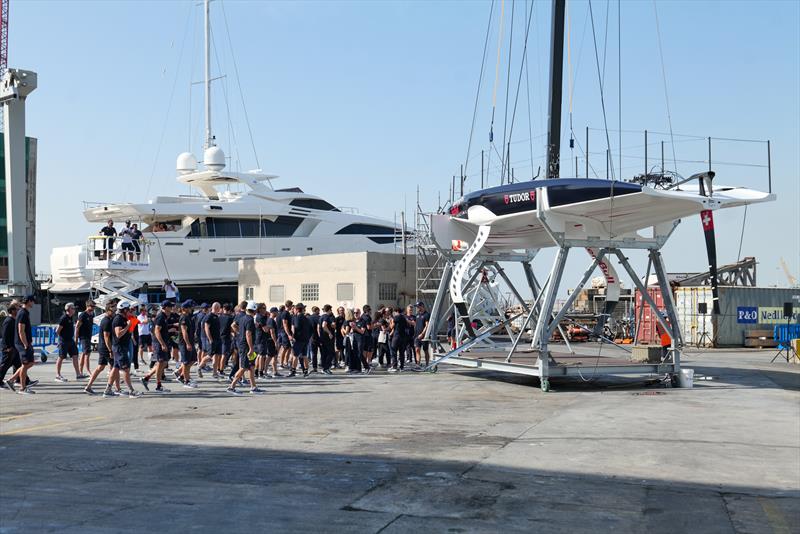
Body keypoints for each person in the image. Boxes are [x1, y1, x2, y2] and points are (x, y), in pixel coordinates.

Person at [103, 301, 142, 398]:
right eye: (129, 309)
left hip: (120, 347)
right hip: (119, 347)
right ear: (124, 310)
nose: (130, 311)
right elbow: (118, 334)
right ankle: (131, 391)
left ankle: (108, 390)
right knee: (125, 369)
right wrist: (128, 326)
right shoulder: (118, 319)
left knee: (116, 368)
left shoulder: (123, 318)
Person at [84, 301, 121, 395]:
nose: (115, 311)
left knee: (100, 367)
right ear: (108, 310)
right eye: (113, 310)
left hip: (103, 347)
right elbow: (106, 337)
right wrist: (110, 350)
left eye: (115, 309)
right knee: (115, 367)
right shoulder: (106, 321)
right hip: (106, 348)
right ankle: (116, 389)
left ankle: (88, 387)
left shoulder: (110, 319)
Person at [227, 300, 262, 395]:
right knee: (243, 367)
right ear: (254, 310)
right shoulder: (250, 320)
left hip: (243, 344)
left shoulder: (243, 318)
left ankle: (253, 387)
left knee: (251, 366)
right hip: (246, 346)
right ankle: (232, 386)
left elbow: (235, 326)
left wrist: (239, 333)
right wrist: (251, 348)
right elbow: (248, 334)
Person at [140, 300, 174, 394]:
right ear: (165, 307)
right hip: (159, 343)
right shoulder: (160, 317)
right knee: (160, 363)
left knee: (163, 363)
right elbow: (156, 331)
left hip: (162, 342)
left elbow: (161, 329)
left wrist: (170, 328)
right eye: (170, 306)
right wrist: (162, 344)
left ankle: (146, 378)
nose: (171, 308)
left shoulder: (164, 317)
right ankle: (158, 386)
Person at [0, 303, 32, 390]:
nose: (18, 311)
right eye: (17, 309)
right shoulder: (8, 321)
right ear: (12, 311)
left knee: (18, 364)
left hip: (14, 347)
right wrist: (8, 347)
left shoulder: (14, 320)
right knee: (4, 365)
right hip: (8, 348)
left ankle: (24, 381)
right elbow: (5, 335)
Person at [54, 302, 82, 382]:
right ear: (68, 309)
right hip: (64, 341)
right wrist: (60, 340)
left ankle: (78, 374)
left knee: (75, 355)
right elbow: (57, 331)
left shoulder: (71, 317)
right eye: (73, 308)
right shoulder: (64, 318)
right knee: (61, 357)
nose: (74, 310)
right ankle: (58, 375)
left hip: (70, 340)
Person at [176, 300, 198, 388]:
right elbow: (184, 331)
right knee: (185, 362)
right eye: (190, 307)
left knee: (193, 360)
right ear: (185, 308)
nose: (192, 308)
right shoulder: (184, 317)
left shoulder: (188, 316)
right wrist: (188, 343)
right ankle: (186, 381)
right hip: (184, 343)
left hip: (191, 341)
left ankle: (182, 376)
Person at [289, 303, 312, 377]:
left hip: (298, 339)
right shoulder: (306, 318)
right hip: (305, 339)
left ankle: (293, 370)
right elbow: (311, 329)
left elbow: (296, 327)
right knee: (304, 355)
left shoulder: (297, 318)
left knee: (295, 355)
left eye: (295, 309)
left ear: (297, 309)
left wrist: (293, 336)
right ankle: (306, 371)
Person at [75, 299, 96, 377]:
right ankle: (88, 371)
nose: (94, 308)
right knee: (87, 354)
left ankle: (80, 371)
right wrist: (76, 339)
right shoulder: (83, 315)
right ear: (87, 306)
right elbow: (77, 327)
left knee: (84, 353)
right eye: (92, 306)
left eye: (94, 306)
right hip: (83, 336)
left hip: (88, 336)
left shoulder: (91, 314)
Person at [201, 302, 222, 379]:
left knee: (217, 356)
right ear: (216, 307)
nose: (220, 309)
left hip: (218, 339)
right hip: (212, 339)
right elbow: (206, 327)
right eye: (219, 307)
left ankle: (215, 372)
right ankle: (200, 366)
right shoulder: (209, 316)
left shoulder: (216, 316)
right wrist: (210, 339)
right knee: (209, 356)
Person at [318, 304, 336, 375]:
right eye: (330, 310)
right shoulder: (326, 316)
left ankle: (324, 368)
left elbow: (319, 327)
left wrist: (320, 335)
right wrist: (329, 333)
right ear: (329, 310)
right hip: (327, 338)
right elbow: (323, 325)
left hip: (322, 338)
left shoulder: (321, 317)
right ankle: (326, 368)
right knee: (331, 353)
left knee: (324, 353)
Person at [389, 307, 408, 373]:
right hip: (403, 337)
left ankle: (394, 366)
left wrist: (391, 321)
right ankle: (401, 367)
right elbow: (406, 326)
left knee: (394, 351)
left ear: (396, 311)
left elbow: (391, 327)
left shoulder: (396, 317)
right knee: (401, 352)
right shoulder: (404, 318)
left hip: (396, 336)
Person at [218, 302, 234, 375]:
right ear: (230, 310)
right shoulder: (230, 318)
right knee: (224, 355)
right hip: (226, 337)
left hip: (218, 337)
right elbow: (232, 329)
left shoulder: (219, 317)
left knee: (219, 354)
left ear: (223, 308)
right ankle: (221, 370)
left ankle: (219, 368)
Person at [414, 301, 431, 367]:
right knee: (417, 349)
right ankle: (418, 364)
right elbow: (415, 324)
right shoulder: (417, 315)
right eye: (417, 307)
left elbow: (427, 325)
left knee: (425, 350)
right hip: (417, 335)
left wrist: (422, 334)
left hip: (424, 336)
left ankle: (427, 364)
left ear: (422, 306)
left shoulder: (426, 315)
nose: (417, 308)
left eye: (418, 307)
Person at [277, 300, 293, 369]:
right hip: (284, 333)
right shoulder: (285, 313)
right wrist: (288, 334)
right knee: (284, 348)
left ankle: (285, 362)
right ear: (289, 306)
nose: (292, 307)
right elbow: (285, 324)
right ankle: (281, 363)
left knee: (288, 348)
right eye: (291, 306)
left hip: (284, 332)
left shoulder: (287, 313)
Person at [308, 306, 321, 373]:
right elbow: (319, 327)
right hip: (319, 337)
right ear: (317, 310)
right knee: (323, 351)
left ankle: (314, 367)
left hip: (311, 337)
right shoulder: (319, 317)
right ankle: (323, 366)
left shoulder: (309, 318)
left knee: (314, 353)